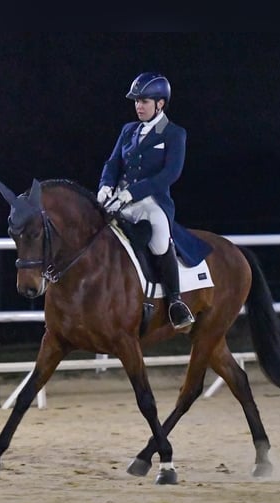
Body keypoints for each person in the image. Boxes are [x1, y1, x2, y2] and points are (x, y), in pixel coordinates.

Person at [97, 71, 195, 329]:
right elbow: (113, 162)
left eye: (144, 101)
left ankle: (175, 302)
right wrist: (105, 185)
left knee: (161, 240)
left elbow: (170, 174)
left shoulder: (173, 133)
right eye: (137, 101)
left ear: (160, 104)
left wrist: (135, 192)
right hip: (120, 199)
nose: (138, 106)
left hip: (153, 202)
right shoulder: (129, 130)